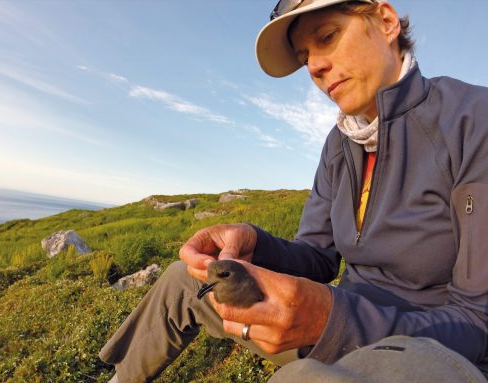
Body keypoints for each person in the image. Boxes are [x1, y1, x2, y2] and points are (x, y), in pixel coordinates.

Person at [99, 0, 488, 382]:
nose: (316, 67)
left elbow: (479, 323)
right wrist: (255, 243)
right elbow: (318, 258)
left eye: (328, 36)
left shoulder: (472, 121)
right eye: (305, 58)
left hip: (438, 356)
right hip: (337, 329)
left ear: (386, 21)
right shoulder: (340, 143)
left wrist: (332, 320)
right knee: (187, 280)